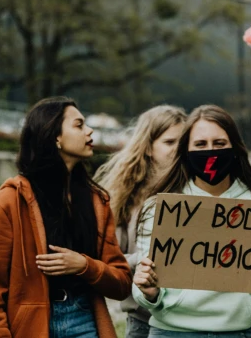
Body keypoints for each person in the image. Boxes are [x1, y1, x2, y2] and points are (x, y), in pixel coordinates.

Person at [132, 104, 251, 337]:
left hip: (238, 332)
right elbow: (144, 280)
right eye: (200, 145)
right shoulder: (160, 207)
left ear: (234, 147)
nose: (210, 152)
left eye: (219, 144)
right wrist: (148, 292)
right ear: (186, 150)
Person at [0, 97, 132, 338]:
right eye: (79, 125)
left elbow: (121, 283)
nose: (90, 131)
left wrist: (84, 265)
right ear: (55, 136)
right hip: (30, 327)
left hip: (84, 319)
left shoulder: (97, 202)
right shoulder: (7, 202)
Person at [94, 105, 187, 338]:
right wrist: (148, 259)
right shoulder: (124, 198)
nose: (179, 150)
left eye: (184, 142)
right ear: (147, 148)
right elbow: (109, 259)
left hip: (189, 320)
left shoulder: (199, 192)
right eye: (169, 142)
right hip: (143, 320)